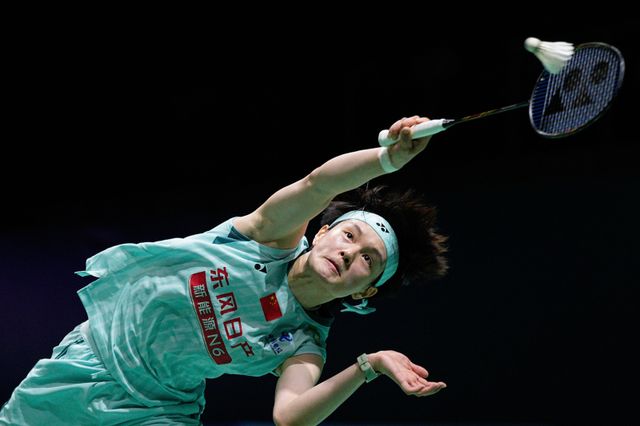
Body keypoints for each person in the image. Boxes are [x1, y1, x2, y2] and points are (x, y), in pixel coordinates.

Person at [1, 115, 449, 425]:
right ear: (323, 231)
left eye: (369, 260)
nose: (350, 253)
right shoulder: (269, 236)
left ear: (365, 291)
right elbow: (318, 183)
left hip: (159, 410)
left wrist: (369, 366)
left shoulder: (303, 343)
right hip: (93, 360)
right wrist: (388, 160)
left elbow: (290, 416)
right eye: (350, 235)